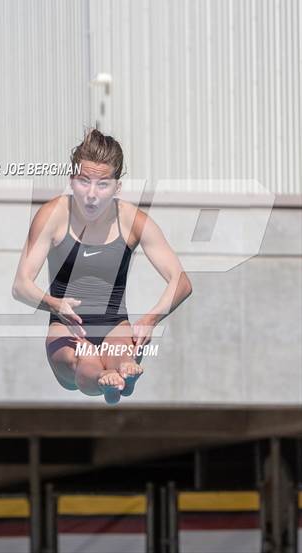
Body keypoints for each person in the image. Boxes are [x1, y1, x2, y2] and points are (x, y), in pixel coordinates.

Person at [12, 128, 192, 404]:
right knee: (84, 361)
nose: (92, 194)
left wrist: (151, 318)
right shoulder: (53, 215)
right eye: (84, 182)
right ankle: (105, 381)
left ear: (117, 188)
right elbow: (21, 285)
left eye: (103, 184)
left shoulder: (133, 220)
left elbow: (181, 281)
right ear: (72, 180)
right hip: (65, 326)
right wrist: (54, 304)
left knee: (123, 355)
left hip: (114, 325)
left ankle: (121, 377)